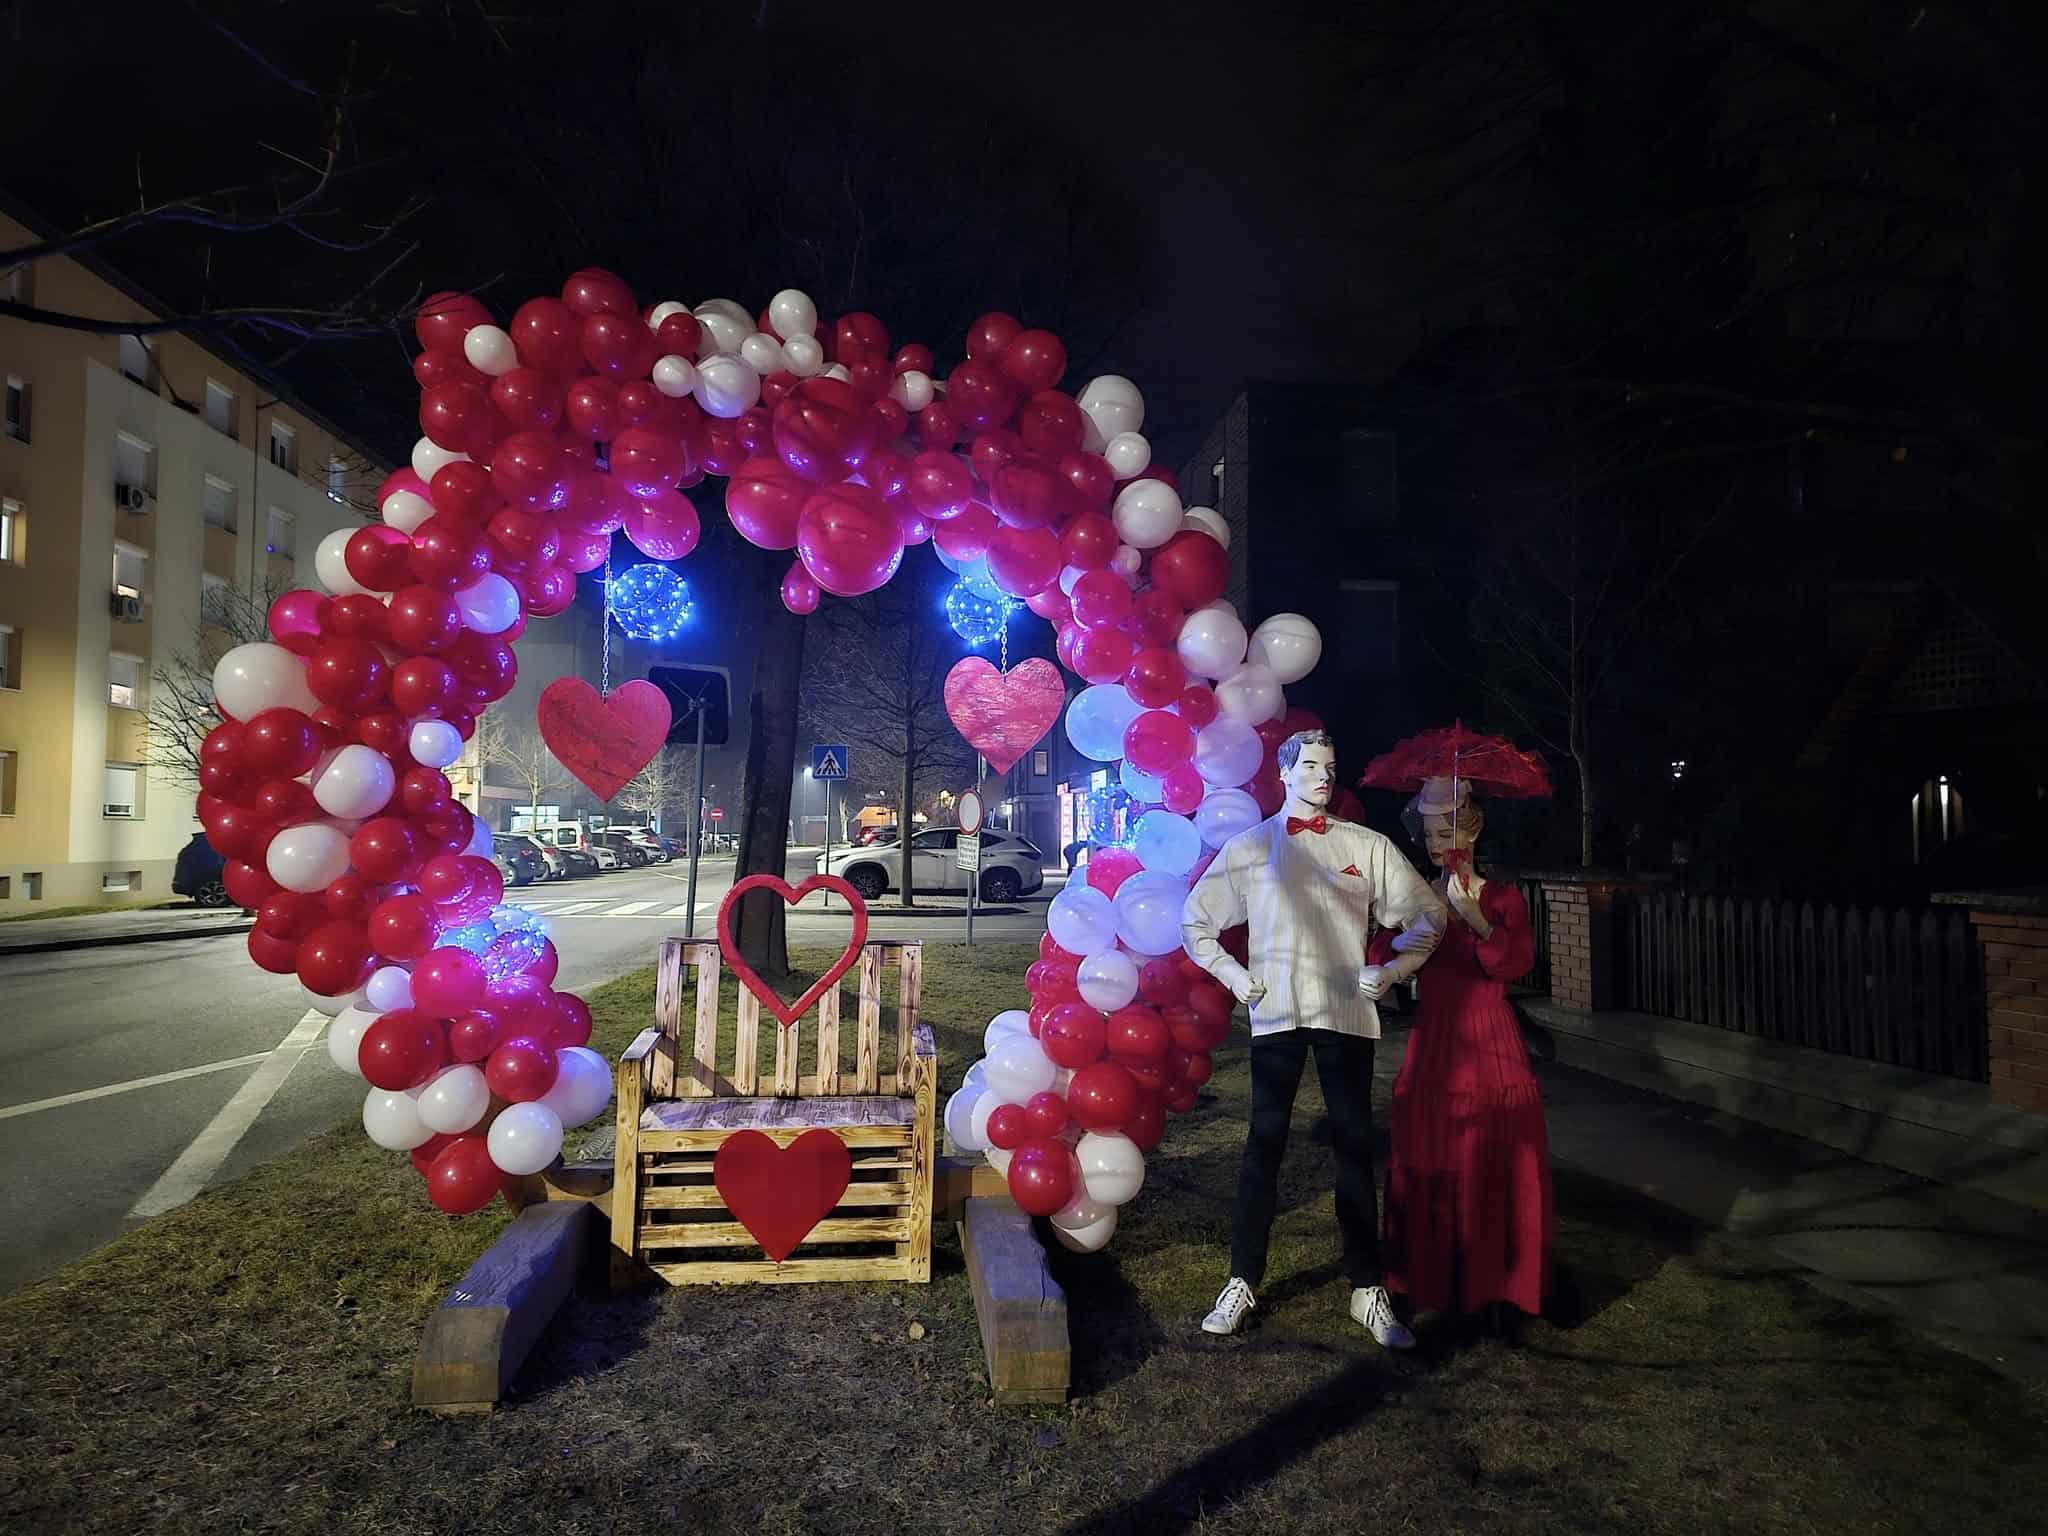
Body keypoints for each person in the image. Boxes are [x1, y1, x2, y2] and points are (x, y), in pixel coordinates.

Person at [1181, 729, 1446, 1343]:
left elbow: (1427, 916)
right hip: (1275, 1014)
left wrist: (1395, 967)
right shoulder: (1252, 848)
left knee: (1354, 1148)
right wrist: (1232, 973)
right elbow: (1196, 918)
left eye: (1331, 765)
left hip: (1347, 1016)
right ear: (1284, 773)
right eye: (1312, 766)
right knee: (1263, 1145)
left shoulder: (1367, 847)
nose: (1325, 776)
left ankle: (1366, 1286)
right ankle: (1243, 1278)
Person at [1366, 775, 1553, 1328]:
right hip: (1434, 1040)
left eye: (1446, 828)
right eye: (1428, 833)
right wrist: (1397, 935)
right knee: (1433, 1155)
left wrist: (1472, 915)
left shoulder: (1500, 896)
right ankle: (1429, 1279)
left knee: (1493, 1158)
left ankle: (1500, 1284)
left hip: (1489, 1039)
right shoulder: (1418, 895)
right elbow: (1385, 954)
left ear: (1471, 827)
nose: (1436, 841)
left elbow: (1513, 963)